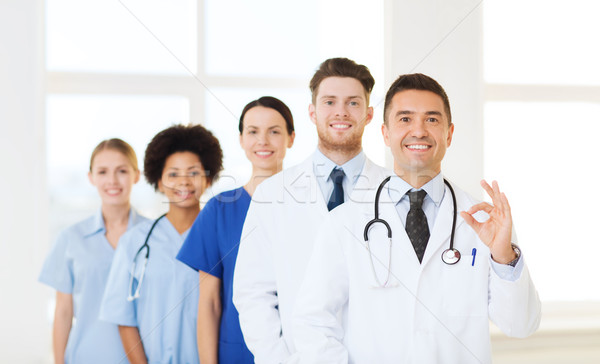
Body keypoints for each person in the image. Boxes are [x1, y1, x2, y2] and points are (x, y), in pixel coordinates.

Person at [293, 73, 542, 364]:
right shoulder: (345, 222)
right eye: (405, 119)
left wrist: (503, 256)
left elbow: (521, 325)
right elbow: (313, 322)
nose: (419, 131)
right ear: (385, 133)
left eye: (432, 120)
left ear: (449, 134)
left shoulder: (486, 223)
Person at [232, 58, 390, 364]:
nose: (341, 112)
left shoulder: (395, 192)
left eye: (353, 103)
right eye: (329, 101)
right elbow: (253, 294)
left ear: (369, 114)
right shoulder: (271, 194)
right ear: (312, 112)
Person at [176, 96, 296, 364]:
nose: (262, 141)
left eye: (274, 131)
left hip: (301, 351)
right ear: (241, 139)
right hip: (237, 353)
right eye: (253, 132)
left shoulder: (310, 206)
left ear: (291, 138)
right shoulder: (219, 211)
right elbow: (210, 304)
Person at [99, 124, 223, 364]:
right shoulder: (135, 241)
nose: (184, 182)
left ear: (208, 180)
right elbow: (124, 319)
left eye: (194, 172)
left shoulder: (220, 238)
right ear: (159, 180)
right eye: (173, 174)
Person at [39, 138, 148, 364]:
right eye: (102, 172)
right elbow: (63, 313)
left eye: (122, 171)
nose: (112, 180)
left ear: (136, 175)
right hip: (85, 356)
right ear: (91, 178)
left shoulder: (154, 236)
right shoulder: (71, 238)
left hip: (142, 357)